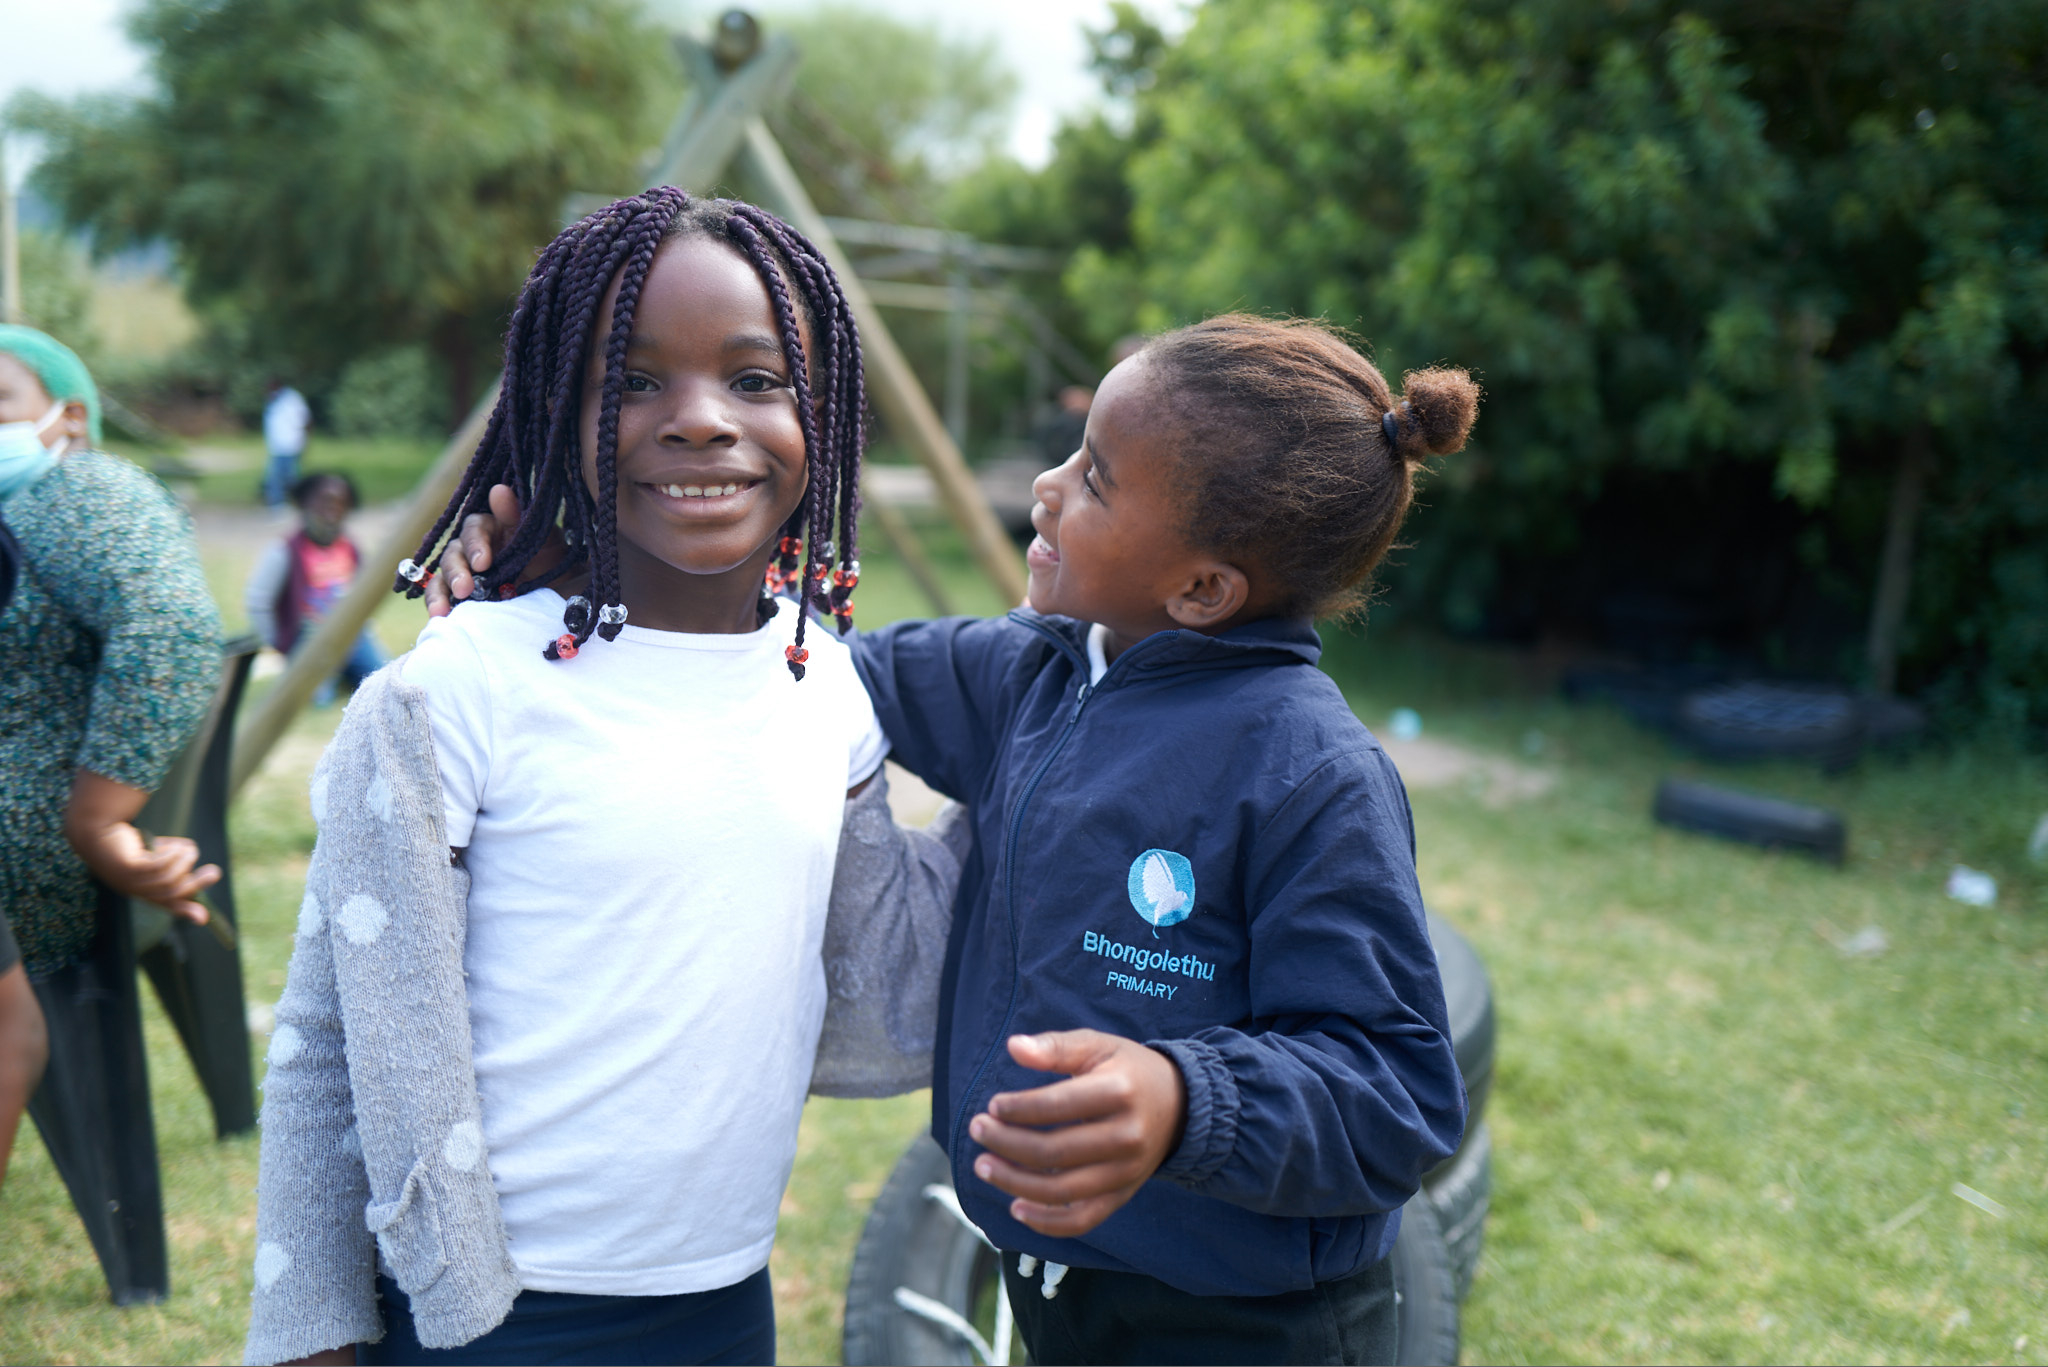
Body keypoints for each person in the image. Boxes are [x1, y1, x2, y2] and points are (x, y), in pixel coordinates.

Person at [434, 315, 1481, 1364]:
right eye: (1074, 455)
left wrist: (1180, 1100)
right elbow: (813, 675)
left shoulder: (1308, 774)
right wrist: (591, 576)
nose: (1046, 485)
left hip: (1243, 1322)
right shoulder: (1031, 673)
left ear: (1202, 588)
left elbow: (1396, 1088)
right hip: (1054, 1284)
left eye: (1097, 480)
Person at [245, 190, 960, 1367]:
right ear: (549, 414)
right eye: (630, 382)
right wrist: (311, 1328)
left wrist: (1070, 724)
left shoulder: (824, 689)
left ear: (820, 414)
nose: (697, 421)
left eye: (754, 379)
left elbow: (881, 994)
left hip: (721, 1300)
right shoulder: (461, 688)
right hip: (481, 1314)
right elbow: (335, 1036)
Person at [0, 324, 223, 1189]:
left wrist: (98, 818)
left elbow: (170, 628)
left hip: (30, 833)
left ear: (70, 417)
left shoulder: (75, 493)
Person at [245, 471, 387, 705]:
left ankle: (345, 671)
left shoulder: (351, 549)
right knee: (318, 699)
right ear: (304, 504)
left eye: (341, 503)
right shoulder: (285, 551)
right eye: (324, 502)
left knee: (383, 682)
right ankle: (331, 676)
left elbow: (363, 596)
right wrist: (279, 644)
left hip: (352, 635)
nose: (332, 511)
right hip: (310, 639)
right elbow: (258, 601)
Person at [262, 379, 312, 508]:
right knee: (277, 477)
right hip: (277, 446)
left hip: (291, 444)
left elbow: (305, 420)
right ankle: (279, 503)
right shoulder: (273, 401)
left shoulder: (292, 399)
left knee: (290, 477)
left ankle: (296, 501)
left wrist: (305, 442)